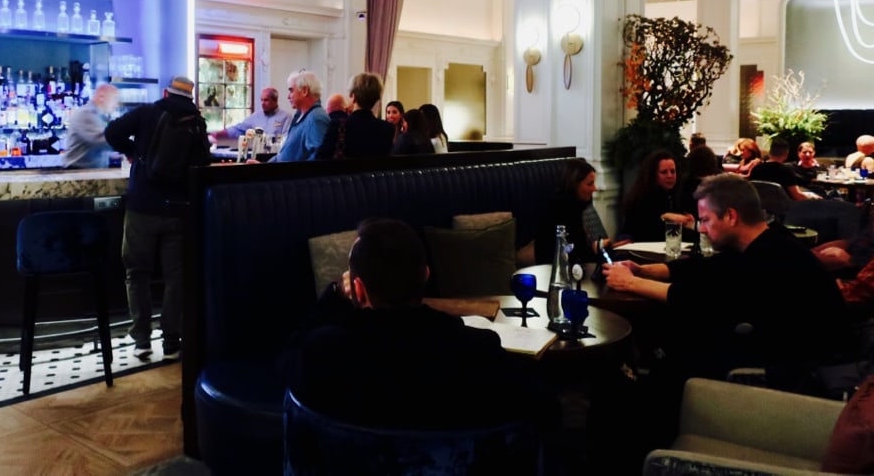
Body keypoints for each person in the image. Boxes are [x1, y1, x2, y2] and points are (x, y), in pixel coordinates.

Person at [280, 217, 560, 432]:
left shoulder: (327, 354)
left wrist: (334, 295)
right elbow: (545, 407)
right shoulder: (476, 350)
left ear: (359, 290)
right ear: (425, 275)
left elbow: (288, 359)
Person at [605, 173, 851, 384]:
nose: (701, 228)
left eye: (705, 220)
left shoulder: (769, 258)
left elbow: (695, 298)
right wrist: (642, 270)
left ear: (731, 216)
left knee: (681, 346)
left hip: (800, 368)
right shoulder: (766, 240)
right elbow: (705, 268)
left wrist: (630, 283)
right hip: (784, 348)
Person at [104, 76, 211, 361]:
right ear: (190, 97)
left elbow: (112, 132)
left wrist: (134, 153)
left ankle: (141, 340)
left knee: (136, 272)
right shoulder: (197, 123)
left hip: (142, 205)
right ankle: (171, 342)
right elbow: (203, 165)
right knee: (176, 277)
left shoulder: (147, 112)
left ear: (165, 92)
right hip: (178, 209)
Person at [533, 158, 609, 266]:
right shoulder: (556, 210)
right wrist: (594, 249)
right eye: (589, 184)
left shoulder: (580, 205)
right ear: (574, 185)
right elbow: (563, 251)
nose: (594, 188)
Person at [316, 73, 393, 159]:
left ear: (353, 96)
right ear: (376, 99)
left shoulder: (338, 125)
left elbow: (321, 159)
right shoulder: (387, 128)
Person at [620, 150, 692, 242]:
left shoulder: (676, 193)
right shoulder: (641, 198)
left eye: (673, 171)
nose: (670, 176)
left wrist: (687, 222)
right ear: (653, 175)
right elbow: (648, 232)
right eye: (664, 172)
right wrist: (666, 218)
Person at [271, 70, 330, 162]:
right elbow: (284, 155)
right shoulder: (303, 116)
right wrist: (262, 166)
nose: (288, 96)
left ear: (305, 91)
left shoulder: (315, 118)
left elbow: (318, 160)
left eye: (291, 90)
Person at [62, 83, 119, 168]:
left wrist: (113, 156)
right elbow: (101, 141)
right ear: (101, 97)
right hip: (78, 173)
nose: (116, 105)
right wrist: (130, 146)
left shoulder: (98, 115)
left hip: (89, 172)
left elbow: (91, 148)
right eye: (114, 99)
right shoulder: (86, 114)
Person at [749, 137, 820, 200]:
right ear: (786, 154)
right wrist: (814, 198)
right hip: (784, 209)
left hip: (762, 207)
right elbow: (797, 196)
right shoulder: (786, 170)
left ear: (770, 152)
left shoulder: (756, 168)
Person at [211, 86, 291, 140]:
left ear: (275, 100)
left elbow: (286, 139)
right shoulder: (256, 117)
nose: (262, 103)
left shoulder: (286, 117)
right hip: (257, 156)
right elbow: (238, 129)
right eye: (261, 100)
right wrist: (219, 134)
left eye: (266, 100)